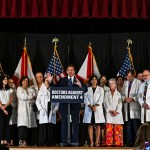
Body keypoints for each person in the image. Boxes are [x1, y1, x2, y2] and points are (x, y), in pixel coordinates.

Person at [57, 64, 87, 146]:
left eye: (72, 70)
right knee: (64, 123)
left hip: (75, 106)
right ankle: (64, 141)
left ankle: (75, 141)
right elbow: (55, 90)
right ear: (66, 71)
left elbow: (85, 89)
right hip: (64, 105)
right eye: (68, 70)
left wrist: (80, 85)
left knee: (75, 124)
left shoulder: (78, 80)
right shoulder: (62, 80)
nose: (70, 71)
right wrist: (49, 82)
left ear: (74, 71)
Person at [83, 75, 105, 147]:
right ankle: (91, 142)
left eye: (95, 79)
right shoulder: (87, 89)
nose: (94, 81)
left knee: (98, 126)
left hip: (97, 109)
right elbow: (85, 99)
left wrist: (95, 106)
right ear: (90, 81)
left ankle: (96, 142)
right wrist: (91, 106)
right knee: (90, 125)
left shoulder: (101, 89)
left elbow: (101, 100)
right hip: (89, 109)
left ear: (97, 81)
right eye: (92, 79)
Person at [36, 75, 58, 146]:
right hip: (44, 110)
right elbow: (37, 101)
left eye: (49, 81)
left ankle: (51, 143)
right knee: (44, 127)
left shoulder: (53, 90)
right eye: (46, 81)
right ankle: (43, 143)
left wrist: (56, 108)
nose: (47, 82)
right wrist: (40, 109)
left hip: (51, 109)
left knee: (51, 127)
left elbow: (58, 101)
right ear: (44, 81)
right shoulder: (41, 90)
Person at [122, 70, 141, 147]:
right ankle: (129, 143)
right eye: (127, 76)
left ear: (134, 75)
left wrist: (132, 99)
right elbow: (122, 93)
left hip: (135, 107)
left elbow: (140, 94)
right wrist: (124, 99)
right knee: (128, 126)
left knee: (136, 127)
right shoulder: (125, 83)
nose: (128, 78)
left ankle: (137, 143)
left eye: (130, 76)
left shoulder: (139, 83)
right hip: (127, 107)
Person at [17, 76, 37, 146]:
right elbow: (23, 97)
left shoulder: (31, 90)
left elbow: (34, 100)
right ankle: (20, 141)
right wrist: (31, 97)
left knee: (27, 126)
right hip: (22, 111)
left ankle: (25, 141)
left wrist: (31, 98)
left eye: (27, 81)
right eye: (24, 80)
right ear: (21, 82)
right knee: (22, 126)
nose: (26, 82)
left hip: (29, 110)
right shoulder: (19, 89)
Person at [104, 78, 124, 146]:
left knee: (117, 131)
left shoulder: (118, 94)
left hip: (117, 115)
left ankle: (118, 145)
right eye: (110, 83)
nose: (111, 85)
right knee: (109, 131)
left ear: (115, 85)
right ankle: (109, 145)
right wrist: (110, 110)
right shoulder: (106, 93)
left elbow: (120, 103)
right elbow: (105, 102)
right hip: (109, 114)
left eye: (112, 83)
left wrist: (117, 111)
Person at [30, 72, 44, 146]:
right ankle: (34, 142)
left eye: (40, 76)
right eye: (37, 77)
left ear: (43, 77)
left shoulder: (46, 86)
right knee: (35, 126)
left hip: (43, 109)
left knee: (42, 126)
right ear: (35, 78)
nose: (39, 78)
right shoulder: (32, 87)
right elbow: (31, 98)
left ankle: (41, 142)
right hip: (35, 109)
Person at [0, 75, 13, 146]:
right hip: (1, 107)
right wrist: (2, 107)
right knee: (2, 124)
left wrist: (5, 106)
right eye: (4, 79)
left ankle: (6, 140)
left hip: (8, 107)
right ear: (1, 80)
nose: (6, 80)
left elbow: (11, 99)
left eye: (6, 79)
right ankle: (1, 140)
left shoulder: (9, 89)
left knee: (7, 124)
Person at [8, 78, 18, 146]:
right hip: (9, 109)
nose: (11, 83)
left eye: (12, 82)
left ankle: (13, 141)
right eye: (10, 82)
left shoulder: (15, 90)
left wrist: (15, 105)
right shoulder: (7, 90)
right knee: (9, 126)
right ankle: (9, 141)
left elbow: (17, 99)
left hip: (15, 110)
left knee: (14, 126)